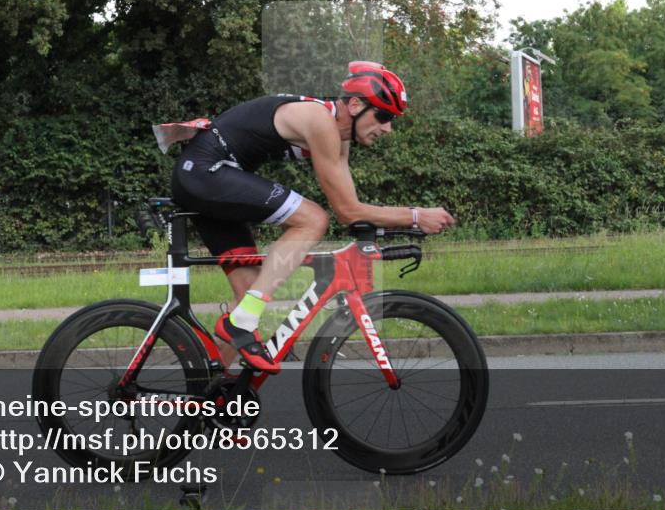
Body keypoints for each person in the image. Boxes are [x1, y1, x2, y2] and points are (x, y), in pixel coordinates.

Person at [170, 61, 455, 373]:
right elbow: (346, 211)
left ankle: (210, 393)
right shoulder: (320, 121)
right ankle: (241, 324)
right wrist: (414, 216)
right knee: (312, 219)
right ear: (356, 105)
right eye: (384, 116)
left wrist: (384, 225)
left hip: (209, 180)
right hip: (204, 173)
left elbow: (351, 207)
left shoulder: (341, 137)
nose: (388, 127)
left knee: (248, 291)